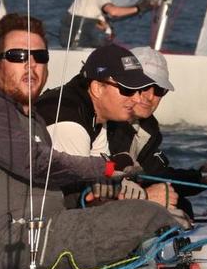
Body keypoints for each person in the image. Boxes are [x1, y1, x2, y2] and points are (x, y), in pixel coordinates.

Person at [0, 13, 177, 269]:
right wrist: (106, 169)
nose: (30, 65)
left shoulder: (30, 119)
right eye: (18, 56)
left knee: (149, 216)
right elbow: (36, 163)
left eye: (39, 57)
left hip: (44, 231)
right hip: (13, 247)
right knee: (148, 216)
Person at [34, 44, 185, 224]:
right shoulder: (69, 123)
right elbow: (75, 202)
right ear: (97, 88)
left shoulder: (95, 116)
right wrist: (145, 199)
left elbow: (99, 182)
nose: (138, 98)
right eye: (128, 89)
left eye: (139, 89)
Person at [107, 47, 207, 218]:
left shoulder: (148, 128)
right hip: (101, 212)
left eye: (158, 89)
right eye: (143, 86)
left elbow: (158, 176)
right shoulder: (105, 124)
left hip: (129, 205)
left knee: (181, 205)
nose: (149, 96)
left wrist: (201, 176)